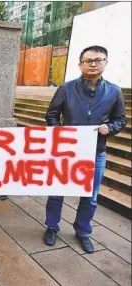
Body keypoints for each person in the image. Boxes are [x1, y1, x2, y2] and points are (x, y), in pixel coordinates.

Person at [43, 45, 126, 253]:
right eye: (88, 61)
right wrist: (60, 132)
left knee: (90, 196)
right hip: (66, 151)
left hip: (96, 152)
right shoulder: (66, 88)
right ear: (80, 64)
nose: (93, 64)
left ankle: (82, 231)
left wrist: (111, 128)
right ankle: (52, 227)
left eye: (98, 60)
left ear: (105, 63)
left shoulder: (114, 92)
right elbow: (52, 115)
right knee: (57, 192)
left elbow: (120, 119)